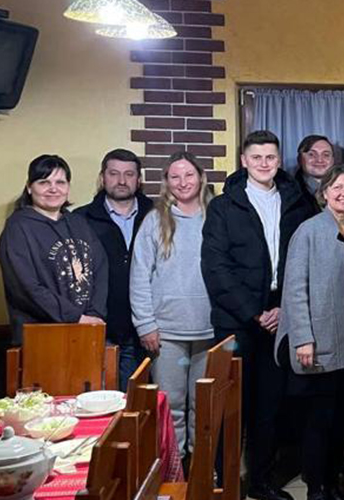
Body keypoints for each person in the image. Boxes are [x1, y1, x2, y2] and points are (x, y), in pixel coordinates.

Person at [201, 130, 316, 500]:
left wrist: (285, 309)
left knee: (270, 406)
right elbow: (216, 268)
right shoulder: (224, 205)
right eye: (256, 157)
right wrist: (255, 313)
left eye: (270, 157)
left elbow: (306, 259)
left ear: (279, 160)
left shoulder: (298, 201)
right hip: (237, 321)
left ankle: (262, 482)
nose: (264, 163)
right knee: (229, 405)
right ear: (243, 161)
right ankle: (224, 480)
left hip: (283, 316)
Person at [276, 165, 344, 500]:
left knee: (341, 421)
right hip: (318, 342)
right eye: (338, 187)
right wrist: (303, 338)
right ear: (324, 192)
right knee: (318, 421)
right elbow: (295, 289)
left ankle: (332, 483)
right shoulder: (308, 231)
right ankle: (315, 487)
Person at [130, 151, 215, 456]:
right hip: (166, 333)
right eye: (175, 176)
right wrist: (146, 324)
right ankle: (174, 469)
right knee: (172, 405)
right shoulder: (155, 220)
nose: (183, 182)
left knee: (204, 405)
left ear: (201, 177)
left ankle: (203, 470)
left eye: (189, 174)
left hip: (210, 330)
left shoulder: (216, 216)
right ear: (166, 181)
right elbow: (139, 275)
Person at [0, 155, 108, 344]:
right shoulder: (18, 228)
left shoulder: (78, 223)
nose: (53, 189)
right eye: (44, 182)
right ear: (29, 187)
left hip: (87, 329)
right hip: (42, 337)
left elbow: (100, 267)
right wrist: (75, 317)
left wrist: (94, 314)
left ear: (68, 187)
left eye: (60, 182)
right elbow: (25, 288)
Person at [74, 149, 154, 390]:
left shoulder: (157, 215)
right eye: (114, 173)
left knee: (139, 405)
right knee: (101, 400)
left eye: (129, 174)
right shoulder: (80, 219)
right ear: (102, 178)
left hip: (148, 328)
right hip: (100, 326)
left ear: (139, 180)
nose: (121, 181)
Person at [294, 134, 335, 208]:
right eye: (311, 154)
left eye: (326, 155)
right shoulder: (289, 192)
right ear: (299, 159)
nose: (319, 160)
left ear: (333, 160)